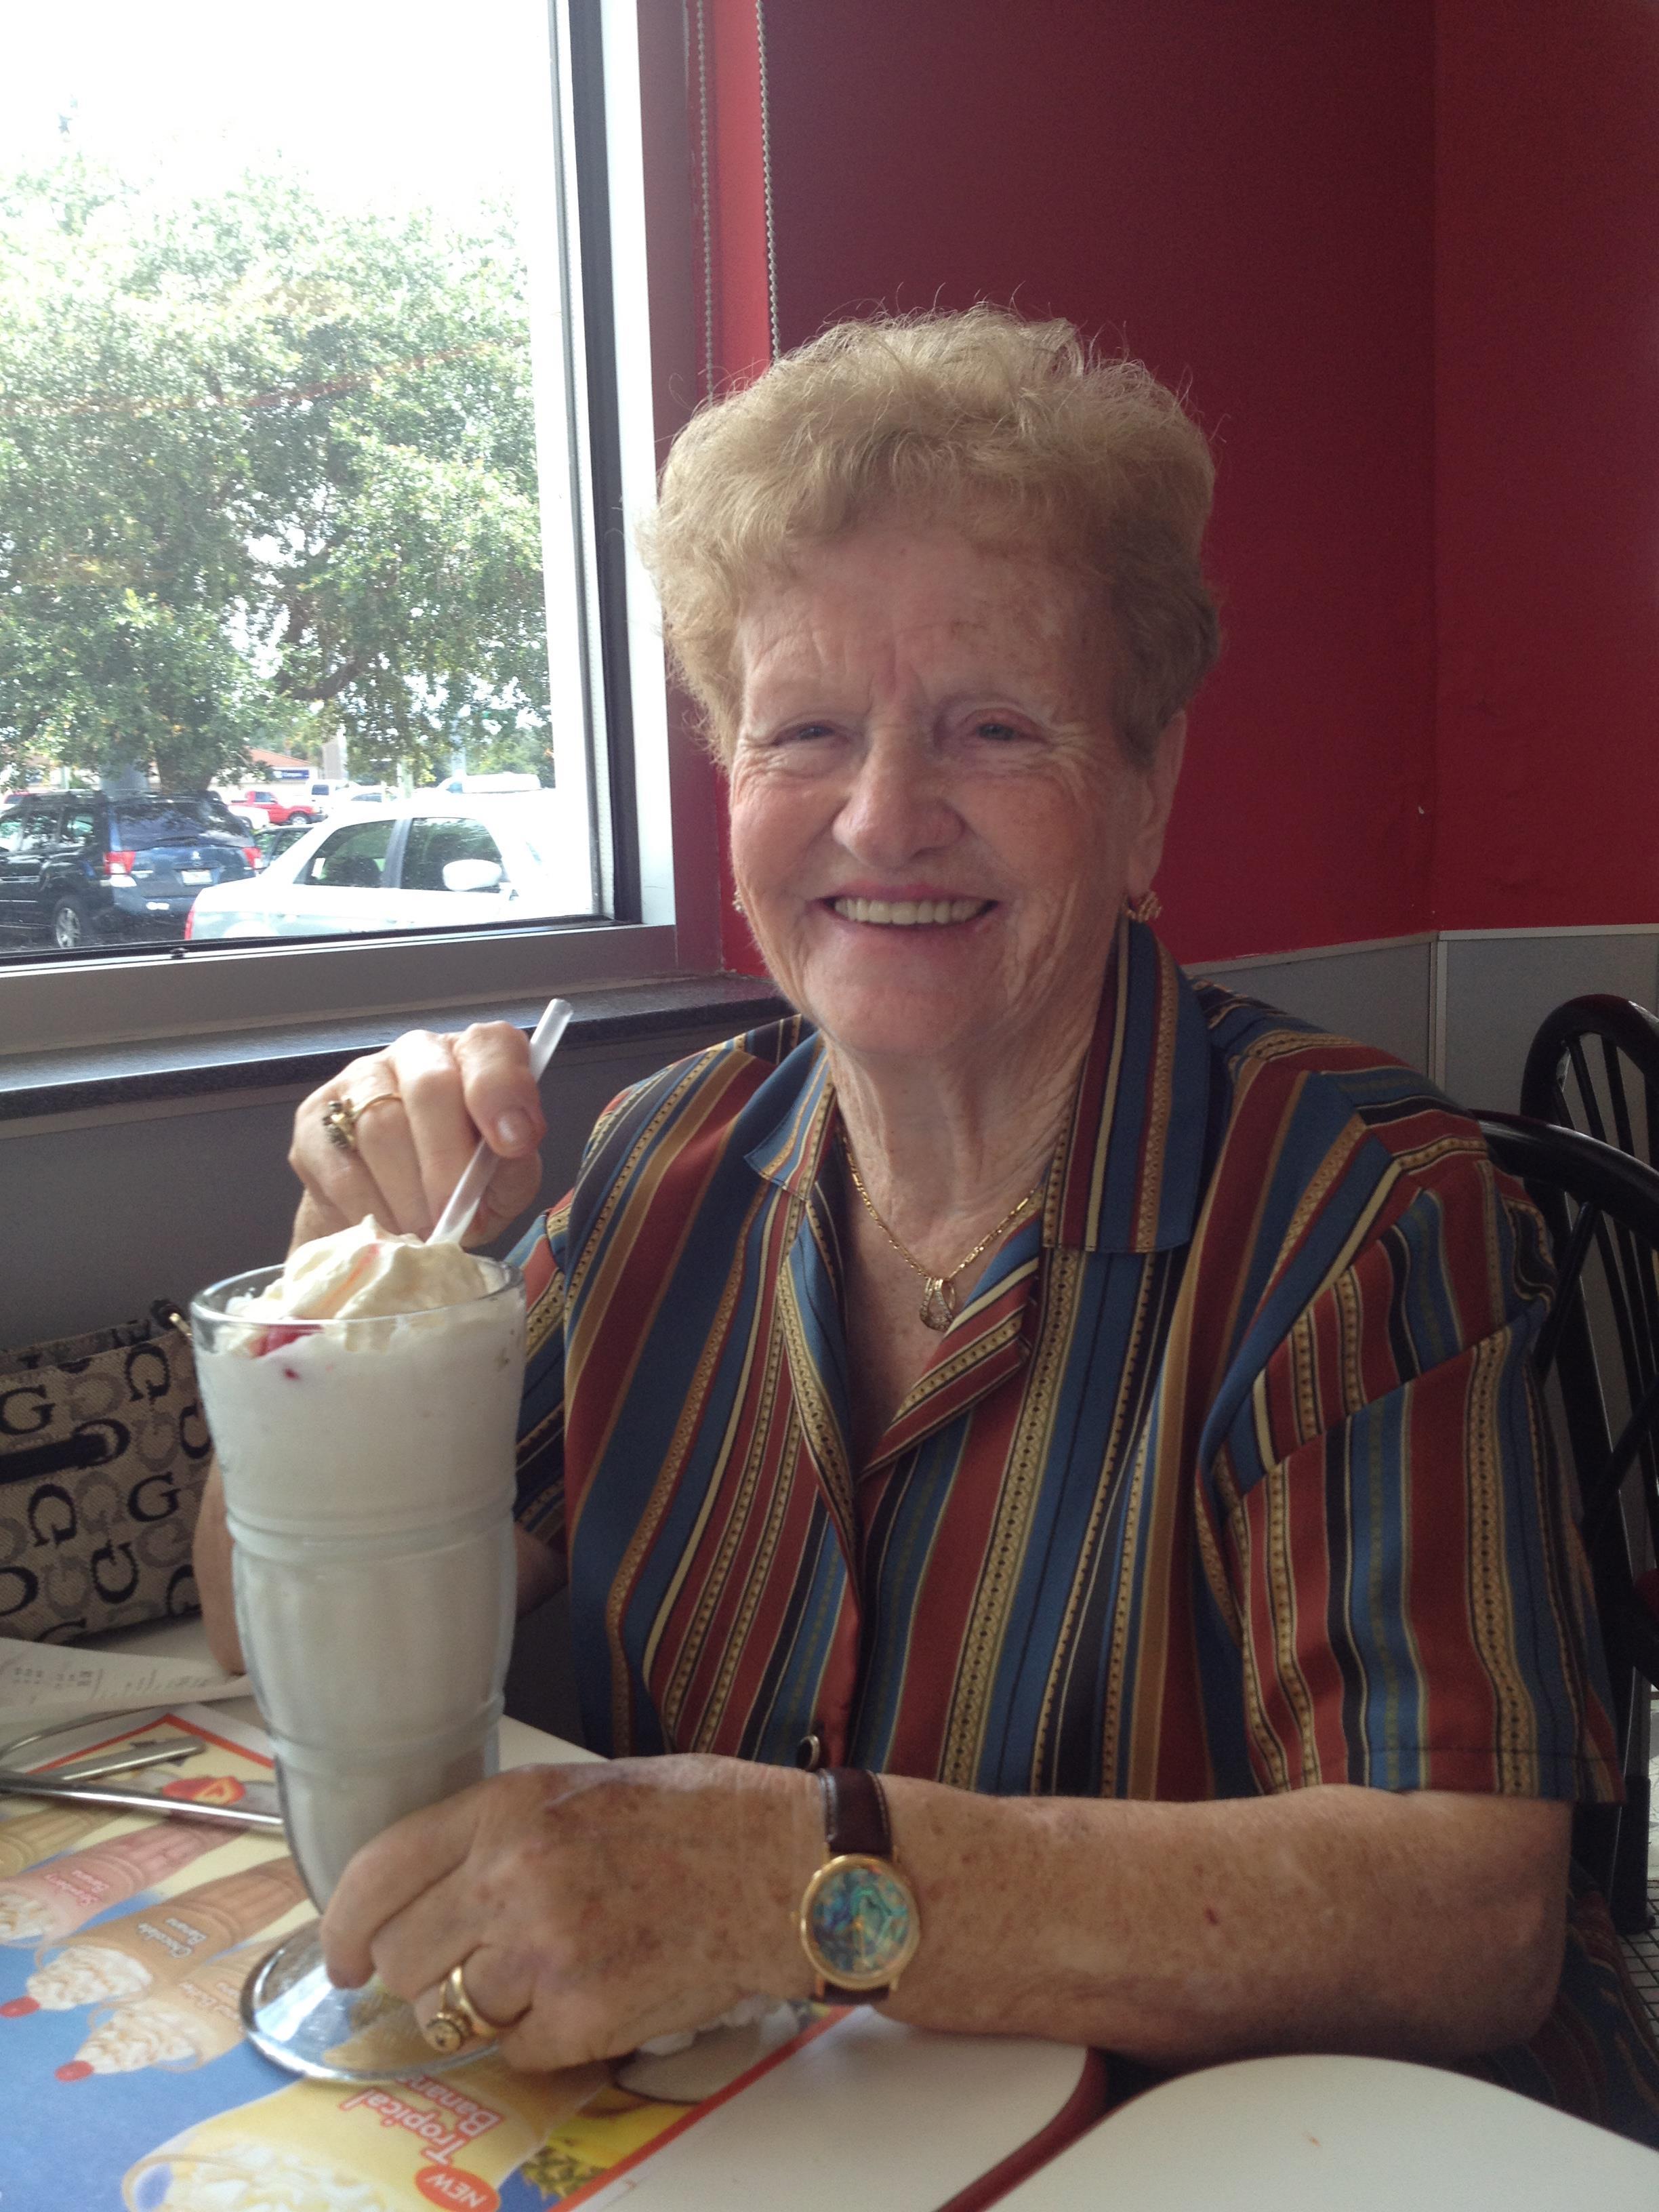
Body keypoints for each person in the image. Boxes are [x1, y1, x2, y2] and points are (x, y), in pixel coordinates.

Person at [195, 308, 1659, 2139]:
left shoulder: (1356, 1211)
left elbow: (1472, 1919)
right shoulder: (655, 1169)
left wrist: (789, 1887)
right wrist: (333, 1326)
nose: (885, 815)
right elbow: (276, 1639)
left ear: (1146, 794)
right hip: (793, 2141)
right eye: (804, 728)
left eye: (993, 728)